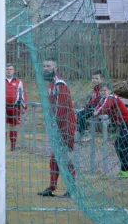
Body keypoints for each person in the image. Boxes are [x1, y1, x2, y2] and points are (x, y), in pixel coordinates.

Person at [37, 59, 76, 198]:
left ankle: (72, 189)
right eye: (44, 66)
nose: (46, 68)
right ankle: (52, 187)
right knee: (54, 158)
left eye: (48, 66)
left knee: (65, 158)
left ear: (55, 67)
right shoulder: (51, 84)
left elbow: (61, 108)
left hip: (66, 127)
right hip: (58, 127)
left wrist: (56, 126)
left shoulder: (60, 84)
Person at [94, 84, 128, 178]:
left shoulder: (112, 97)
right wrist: (95, 111)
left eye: (105, 90)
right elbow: (99, 106)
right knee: (124, 146)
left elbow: (104, 108)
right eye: (101, 91)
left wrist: (96, 113)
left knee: (120, 145)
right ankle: (126, 170)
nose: (103, 92)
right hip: (125, 125)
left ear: (110, 90)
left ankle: (127, 170)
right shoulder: (105, 98)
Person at [76, 70, 103, 142]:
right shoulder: (94, 89)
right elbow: (91, 101)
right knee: (79, 113)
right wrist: (85, 107)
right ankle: (82, 133)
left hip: (98, 109)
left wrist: (95, 109)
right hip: (92, 108)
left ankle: (84, 133)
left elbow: (102, 102)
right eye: (93, 78)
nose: (94, 80)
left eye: (97, 78)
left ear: (101, 79)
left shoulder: (102, 89)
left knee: (81, 115)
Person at [6, 63, 27, 151]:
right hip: (3, 107)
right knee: (2, 126)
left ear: (13, 71)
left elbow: (22, 95)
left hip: (15, 107)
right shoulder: (0, 80)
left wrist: (23, 107)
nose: (9, 71)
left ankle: (13, 146)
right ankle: (1, 146)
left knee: (13, 126)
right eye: (7, 69)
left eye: (10, 69)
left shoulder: (19, 82)